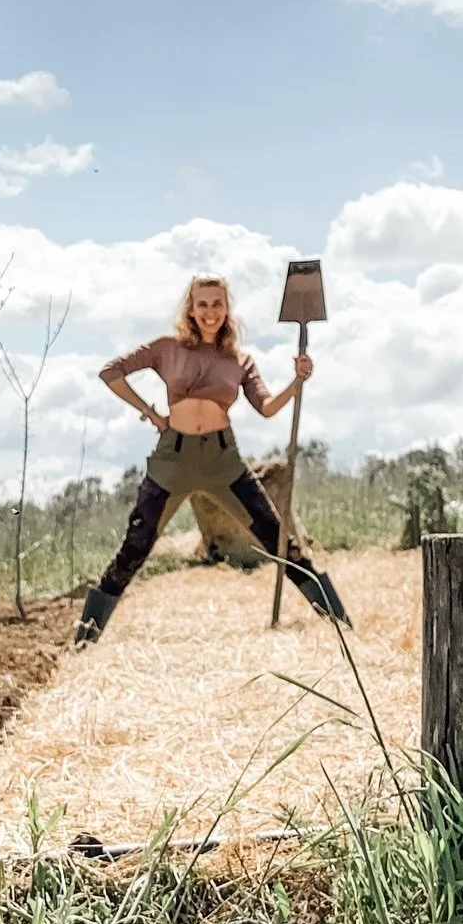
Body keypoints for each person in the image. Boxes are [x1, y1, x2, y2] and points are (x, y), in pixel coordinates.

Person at [75, 275, 348, 647]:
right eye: (202, 304)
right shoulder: (166, 348)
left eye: (217, 304)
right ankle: (84, 640)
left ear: (227, 309)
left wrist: (296, 381)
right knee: (135, 546)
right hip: (173, 459)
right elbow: (111, 372)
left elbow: (266, 408)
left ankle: (340, 624)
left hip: (223, 460)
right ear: (191, 309)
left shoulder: (238, 359)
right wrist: (150, 413)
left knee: (279, 539)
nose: (210, 312)